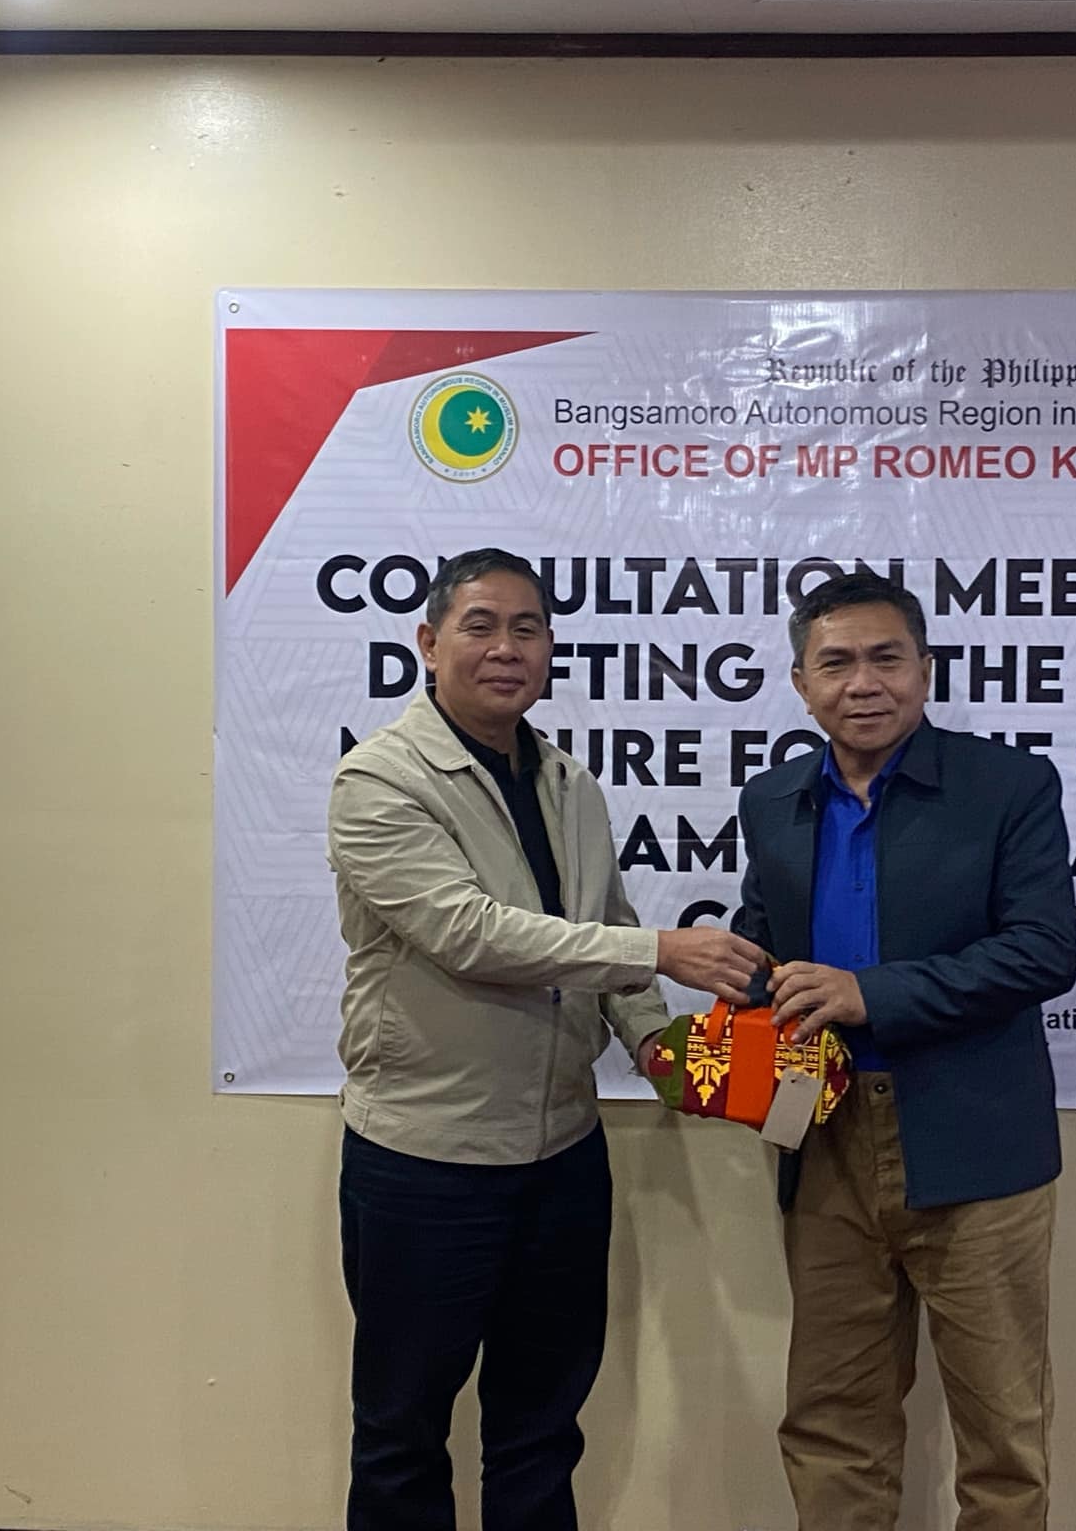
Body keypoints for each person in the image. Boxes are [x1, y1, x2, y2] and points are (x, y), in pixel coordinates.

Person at [327, 547, 764, 1531]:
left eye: (526, 629)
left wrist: (657, 1047)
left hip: (562, 1156)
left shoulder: (567, 780)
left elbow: (599, 921)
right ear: (427, 642)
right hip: (427, 1162)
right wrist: (662, 951)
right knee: (402, 1432)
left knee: (540, 1428)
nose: (506, 648)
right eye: (480, 626)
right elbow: (471, 934)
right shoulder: (378, 779)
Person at [732, 570, 1076, 1531]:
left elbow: (1044, 951)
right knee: (832, 1423)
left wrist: (868, 994)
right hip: (823, 1137)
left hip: (975, 1142)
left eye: (887, 658)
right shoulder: (771, 800)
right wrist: (733, 991)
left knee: (1002, 1438)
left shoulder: (1008, 786)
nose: (864, 683)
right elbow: (767, 944)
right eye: (836, 663)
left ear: (925, 670)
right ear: (802, 684)